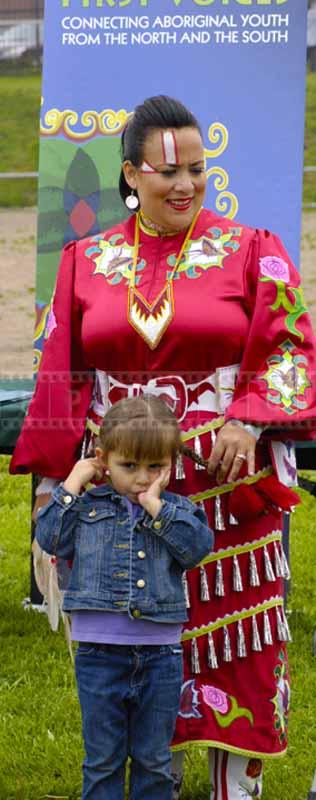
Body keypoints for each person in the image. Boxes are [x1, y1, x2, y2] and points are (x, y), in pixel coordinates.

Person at [10, 94, 316, 799]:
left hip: (224, 493)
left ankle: (233, 792)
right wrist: (61, 486)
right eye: (168, 171)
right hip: (119, 501)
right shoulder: (86, 260)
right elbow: (63, 372)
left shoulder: (251, 251)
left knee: (233, 656)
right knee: (135, 657)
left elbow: (291, 348)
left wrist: (250, 417)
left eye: (199, 170)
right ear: (131, 174)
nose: (185, 185)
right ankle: (153, 782)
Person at [34, 395, 214, 800]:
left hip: (160, 657)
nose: (141, 479)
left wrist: (157, 510)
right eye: (129, 466)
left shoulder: (178, 512)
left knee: (153, 760)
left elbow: (195, 549)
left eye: (155, 467)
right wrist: (72, 484)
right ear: (104, 459)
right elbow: (50, 538)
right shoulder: (86, 507)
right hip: (99, 655)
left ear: (171, 464)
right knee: (103, 760)